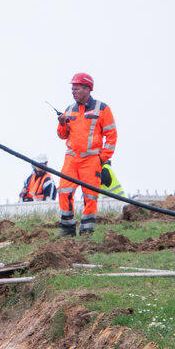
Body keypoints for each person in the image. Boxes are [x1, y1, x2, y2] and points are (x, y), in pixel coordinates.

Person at [56, 72, 117, 236]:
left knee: (90, 196)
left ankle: (86, 232)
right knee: (64, 191)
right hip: (71, 159)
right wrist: (62, 124)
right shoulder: (69, 110)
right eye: (72, 88)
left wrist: (101, 159)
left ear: (88, 89)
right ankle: (67, 230)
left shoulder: (102, 109)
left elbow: (112, 136)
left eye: (77, 88)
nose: (73, 91)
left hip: (91, 160)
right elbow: (63, 135)